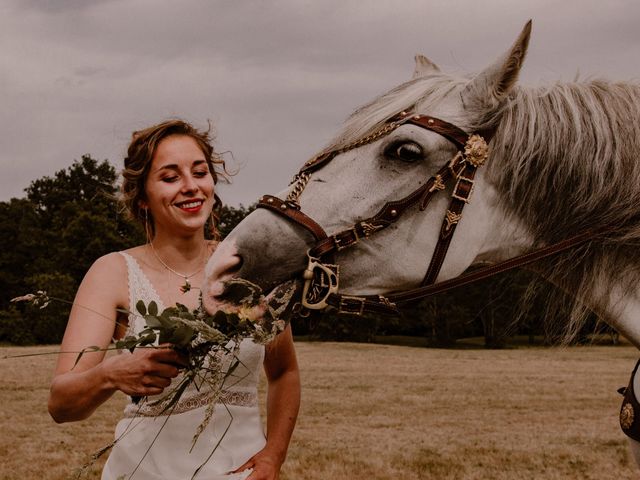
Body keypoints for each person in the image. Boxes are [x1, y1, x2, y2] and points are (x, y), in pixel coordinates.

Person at [48, 120, 301, 480]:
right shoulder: (112, 273)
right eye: (170, 178)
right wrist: (110, 374)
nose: (191, 186)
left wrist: (273, 455)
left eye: (200, 172)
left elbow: (284, 371)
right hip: (143, 471)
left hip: (238, 472)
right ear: (142, 198)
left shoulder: (252, 266)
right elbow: (60, 404)